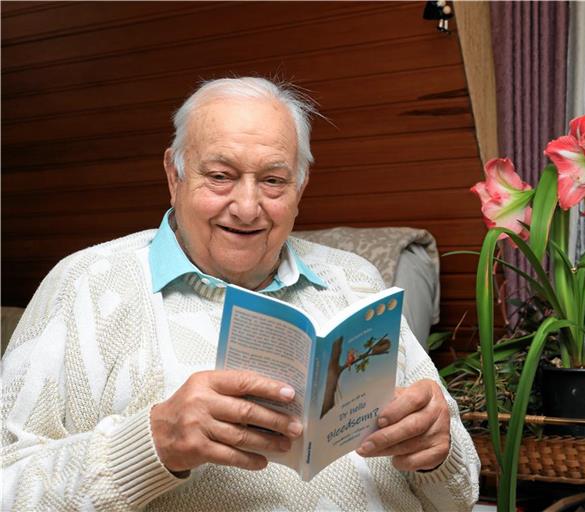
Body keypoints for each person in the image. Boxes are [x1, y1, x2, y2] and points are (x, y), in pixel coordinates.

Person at [2, 77, 480, 511]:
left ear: (301, 186)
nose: (248, 207)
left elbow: (460, 496)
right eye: (220, 176)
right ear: (175, 175)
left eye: (273, 180)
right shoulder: (88, 282)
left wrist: (440, 452)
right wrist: (151, 444)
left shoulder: (357, 281)